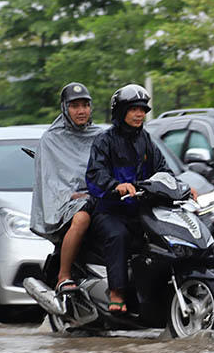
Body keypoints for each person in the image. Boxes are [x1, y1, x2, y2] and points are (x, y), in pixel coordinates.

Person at [86, 84, 173, 313]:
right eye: (134, 109)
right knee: (119, 235)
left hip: (141, 211)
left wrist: (182, 187)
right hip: (110, 211)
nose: (139, 114)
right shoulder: (104, 140)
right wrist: (116, 186)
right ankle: (116, 292)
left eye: (142, 110)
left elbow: (163, 170)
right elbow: (95, 174)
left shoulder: (146, 140)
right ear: (121, 111)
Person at [30, 82, 103, 293]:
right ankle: (64, 275)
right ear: (64, 108)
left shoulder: (101, 136)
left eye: (85, 105)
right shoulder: (51, 140)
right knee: (82, 218)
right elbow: (48, 182)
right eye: (75, 106)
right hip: (67, 203)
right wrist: (71, 195)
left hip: (100, 197)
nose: (81, 111)